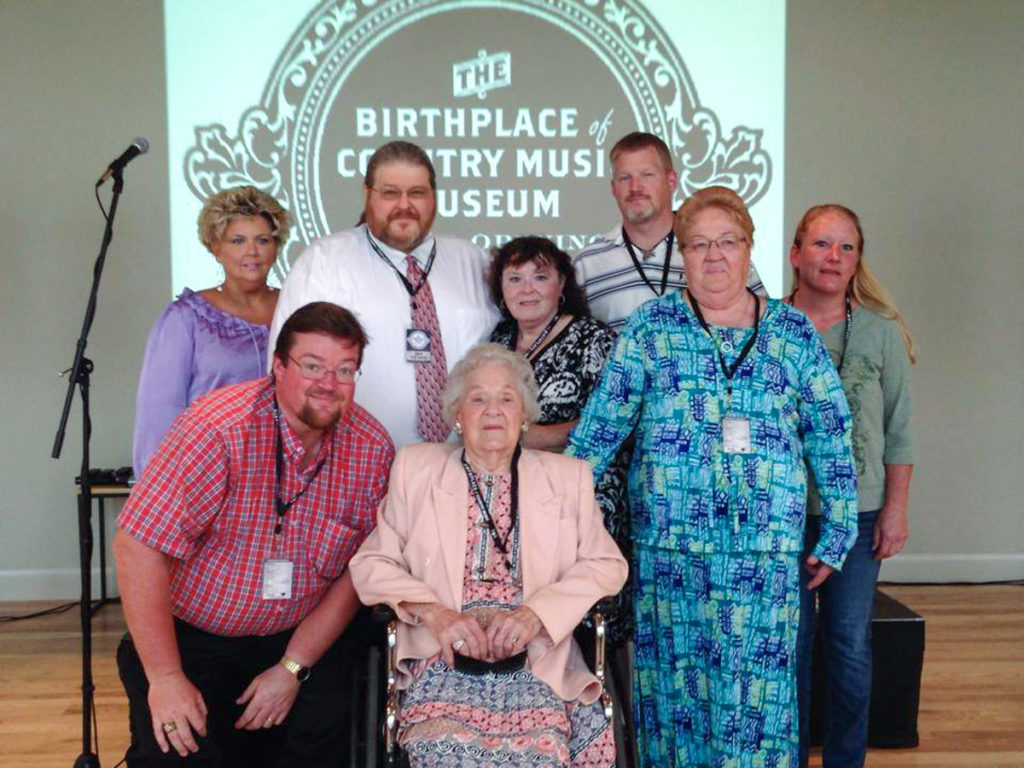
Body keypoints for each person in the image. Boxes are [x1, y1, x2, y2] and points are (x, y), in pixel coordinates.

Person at [567, 186, 859, 766]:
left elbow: (831, 434)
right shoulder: (652, 328)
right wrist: (552, 514)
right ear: (682, 253)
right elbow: (599, 432)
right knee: (676, 704)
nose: (714, 255)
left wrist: (840, 527)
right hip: (671, 558)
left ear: (749, 248)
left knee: (759, 711)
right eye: (698, 244)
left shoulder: (793, 333)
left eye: (728, 241)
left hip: (764, 559)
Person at [113, 302, 394, 767]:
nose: (329, 384)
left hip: (297, 641)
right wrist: (164, 677)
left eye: (345, 370)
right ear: (278, 367)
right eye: (312, 366)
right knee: (179, 751)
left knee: (322, 739)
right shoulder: (219, 428)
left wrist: (292, 668)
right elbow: (138, 547)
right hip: (193, 637)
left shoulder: (370, 447)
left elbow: (357, 572)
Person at [350, 344, 627, 767]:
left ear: (524, 416)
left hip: (536, 653)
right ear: (457, 415)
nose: (492, 410)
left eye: (506, 399)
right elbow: (371, 564)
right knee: (444, 749)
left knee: (546, 751)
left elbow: (607, 565)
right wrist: (436, 614)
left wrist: (537, 614)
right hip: (442, 651)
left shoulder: (567, 477)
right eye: (478, 398)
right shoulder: (416, 469)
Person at [788, 204, 916, 768]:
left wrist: (895, 509)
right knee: (787, 651)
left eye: (845, 247)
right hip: (782, 515)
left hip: (861, 515)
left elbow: (899, 430)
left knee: (848, 647)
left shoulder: (881, 334)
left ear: (858, 259)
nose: (832, 257)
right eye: (821, 244)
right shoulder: (769, 327)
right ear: (796, 255)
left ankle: (845, 760)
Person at [269, 140, 499, 450]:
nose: (404, 205)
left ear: (434, 196)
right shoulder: (324, 262)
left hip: (463, 466)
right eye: (390, 193)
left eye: (416, 193)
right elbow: (285, 375)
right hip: (354, 465)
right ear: (367, 195)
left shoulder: (474, 262)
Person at [132, 185, 290, 477]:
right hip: (209, 478)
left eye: (263, 240)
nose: (252, 252)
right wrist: (157, 493)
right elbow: (158, 419)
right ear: (216, 247)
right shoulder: (186, 319)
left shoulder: (296, 309)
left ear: (276, 246)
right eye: (238, 241)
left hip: (286, 481)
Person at [573, 132, 765, 330]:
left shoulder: (716, 252)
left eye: (647, 175)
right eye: (624, 178)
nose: (635, 187)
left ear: (671, 181)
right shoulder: (587, 264)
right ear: (613, 188)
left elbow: (764, 325)